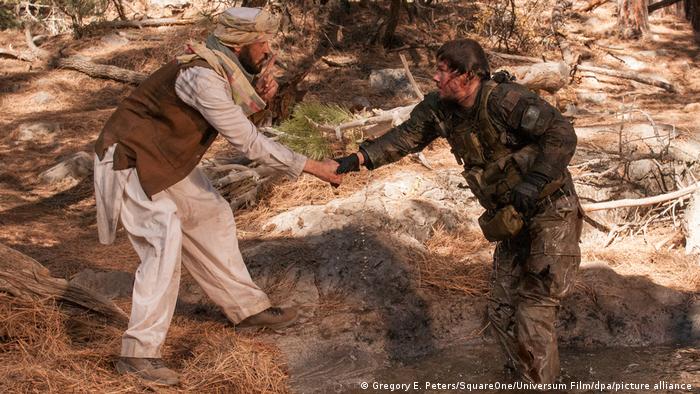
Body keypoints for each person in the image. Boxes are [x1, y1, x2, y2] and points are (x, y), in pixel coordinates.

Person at [93, 7, 341, 386]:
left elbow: (237, 120)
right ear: (237, 44)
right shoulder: (202, 75)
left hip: (161, 159)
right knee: (163, 243)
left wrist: (258, 97)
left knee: (211, 213)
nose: (266, 49)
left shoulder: (221, 69)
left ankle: (246, 308)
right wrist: (313, 166)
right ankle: (138, 353)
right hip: (129, 160)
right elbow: (245, 140)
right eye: (261, 42)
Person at [334, 38, 582, 384]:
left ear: (467, 75)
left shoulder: (505, 100)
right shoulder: (439, 108)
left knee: (533, 311)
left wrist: (534, 181)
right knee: (501, 311)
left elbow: (562, 134)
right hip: (511, 219)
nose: (435, 78)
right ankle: (522, 382)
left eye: (442, 71)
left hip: (551, 211)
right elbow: (405, 137)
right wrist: (356, 160)